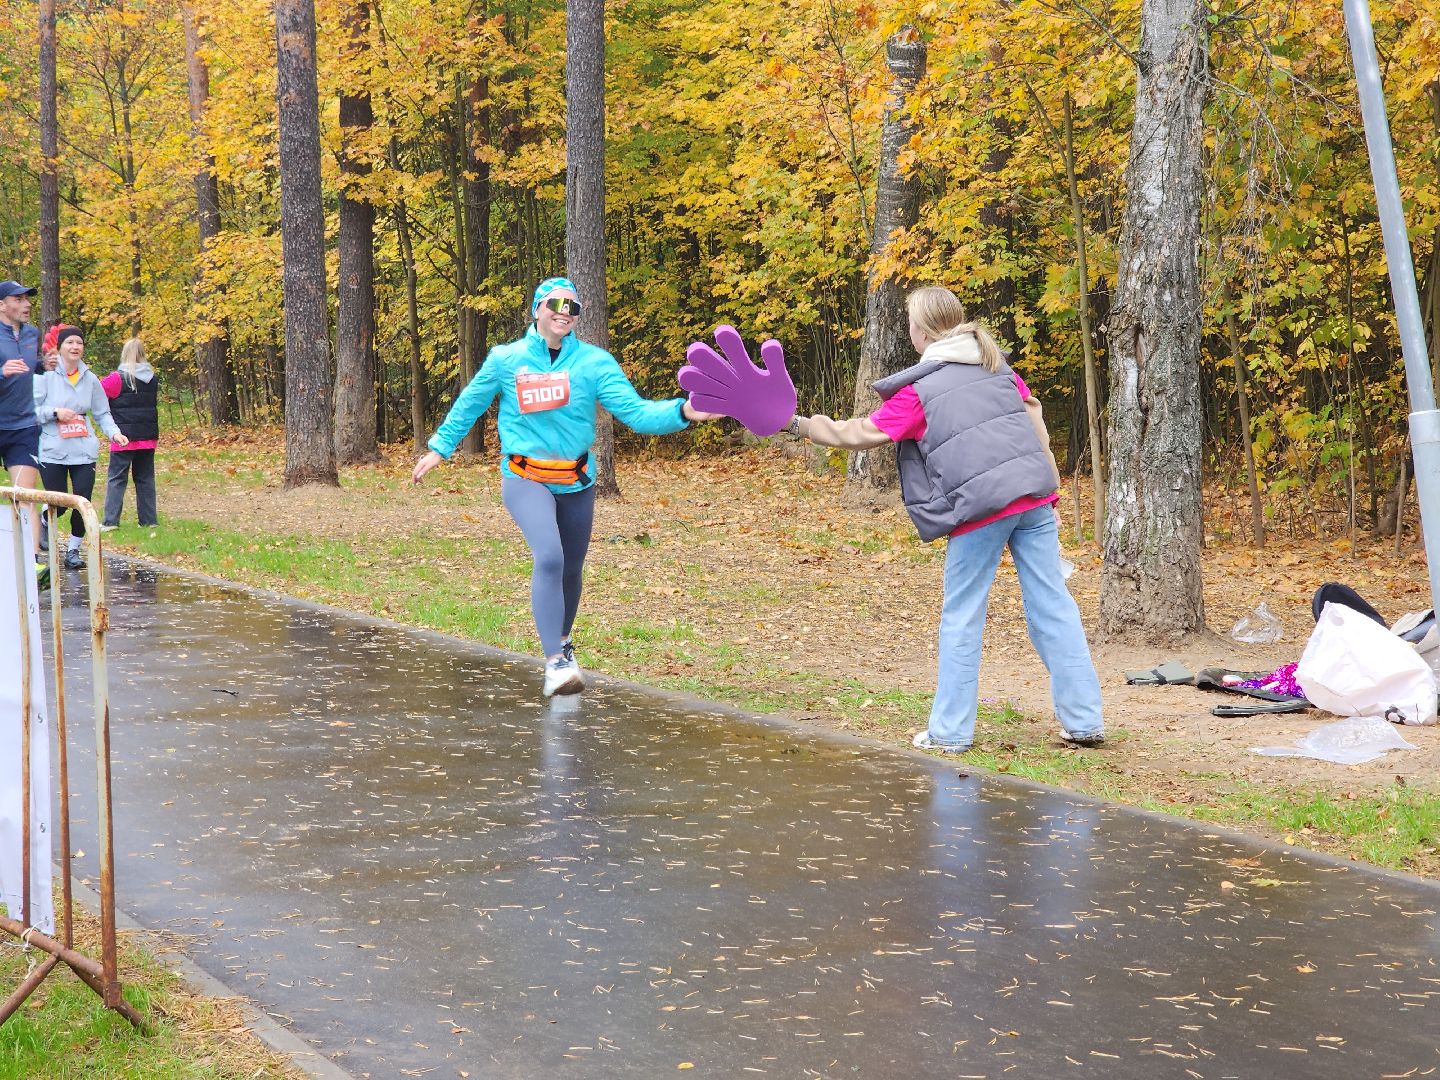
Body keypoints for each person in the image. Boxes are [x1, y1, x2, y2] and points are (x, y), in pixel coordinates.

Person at [783, 285, 1105, 752]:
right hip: (1034, 500)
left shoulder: (920, 391)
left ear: (921, 331)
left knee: (962, 617)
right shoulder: (999, 369)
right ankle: (1085, 721)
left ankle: (950, 733)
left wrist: (796, 424)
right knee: (1054, 608)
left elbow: (859, 433)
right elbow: (1036, 431)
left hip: (980, 511)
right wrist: (1049, 493)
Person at [412, 277, 718, 697]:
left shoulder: (594, 363)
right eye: (555, 304)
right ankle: (554, 662)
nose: (564, 312)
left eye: (573, 307)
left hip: (576, 481)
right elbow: (470, 404)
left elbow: (637, 413)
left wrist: (684, 411)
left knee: (571, 568)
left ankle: (563, 643)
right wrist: (439, 449)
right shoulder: (507, 359)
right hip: (525, 477)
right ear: (537, 309)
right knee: (550, 556)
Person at [33, 326, 128, 569]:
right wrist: (56, 413)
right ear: (60, 348)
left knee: (82, 500)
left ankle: (73, 550)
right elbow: (31, 411)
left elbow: (102, 412)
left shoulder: (90, 378)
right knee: (59, 503)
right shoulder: (45, 376)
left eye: (79, 343)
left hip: (83, 450)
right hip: (53, 448)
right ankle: (44, 519)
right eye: (70, 343)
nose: (75, 347)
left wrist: (115, 433)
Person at [0, 280, 49, 587]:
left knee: (25, 495)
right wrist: (1, 372)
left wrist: (45, 365)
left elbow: (31, 368)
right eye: (18, 299)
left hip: (23, 426)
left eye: (27, 299)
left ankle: (31, 564)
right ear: (2, 305)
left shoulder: (32, 335)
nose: (27, 304)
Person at [99, 337, 159, 530]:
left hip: (123, 437)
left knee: (117, 478)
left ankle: (111, 521)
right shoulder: (152, 378)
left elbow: (97, 394)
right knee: (145, 478)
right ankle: (149, 521)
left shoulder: (116, 378)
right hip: (147, 436)